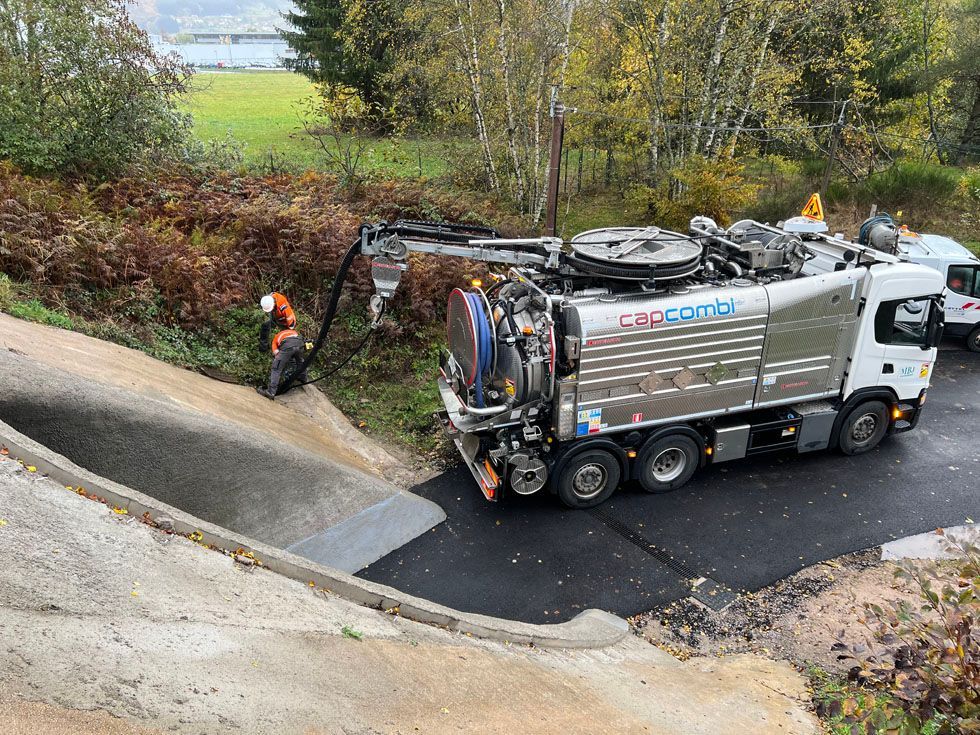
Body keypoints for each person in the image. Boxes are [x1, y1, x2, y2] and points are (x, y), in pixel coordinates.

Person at [256, 293, 307, 400]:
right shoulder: (268, 300)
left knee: (276, 368)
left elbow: (276, 352)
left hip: (288, 331)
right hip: (299, 341)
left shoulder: (276, 338)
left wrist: (278, 357)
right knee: (299, 360)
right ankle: (303, 377)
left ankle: (270, 392)